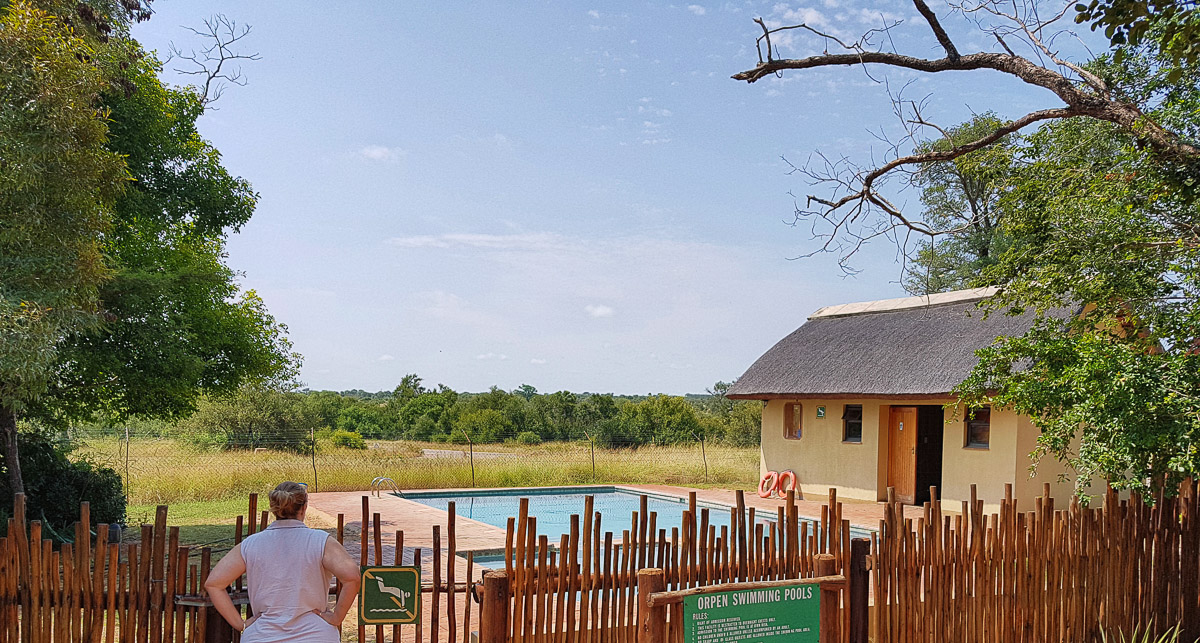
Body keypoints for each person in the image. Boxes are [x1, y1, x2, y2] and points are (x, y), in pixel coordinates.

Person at [204, 482, 361, 642]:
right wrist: (336, 617)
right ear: (304, 507)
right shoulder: (321, 541)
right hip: (315, 634)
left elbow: (214, 583)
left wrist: (240, 624)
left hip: (262, 635)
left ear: (274, 508)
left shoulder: (251, 544)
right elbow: (352, 577)